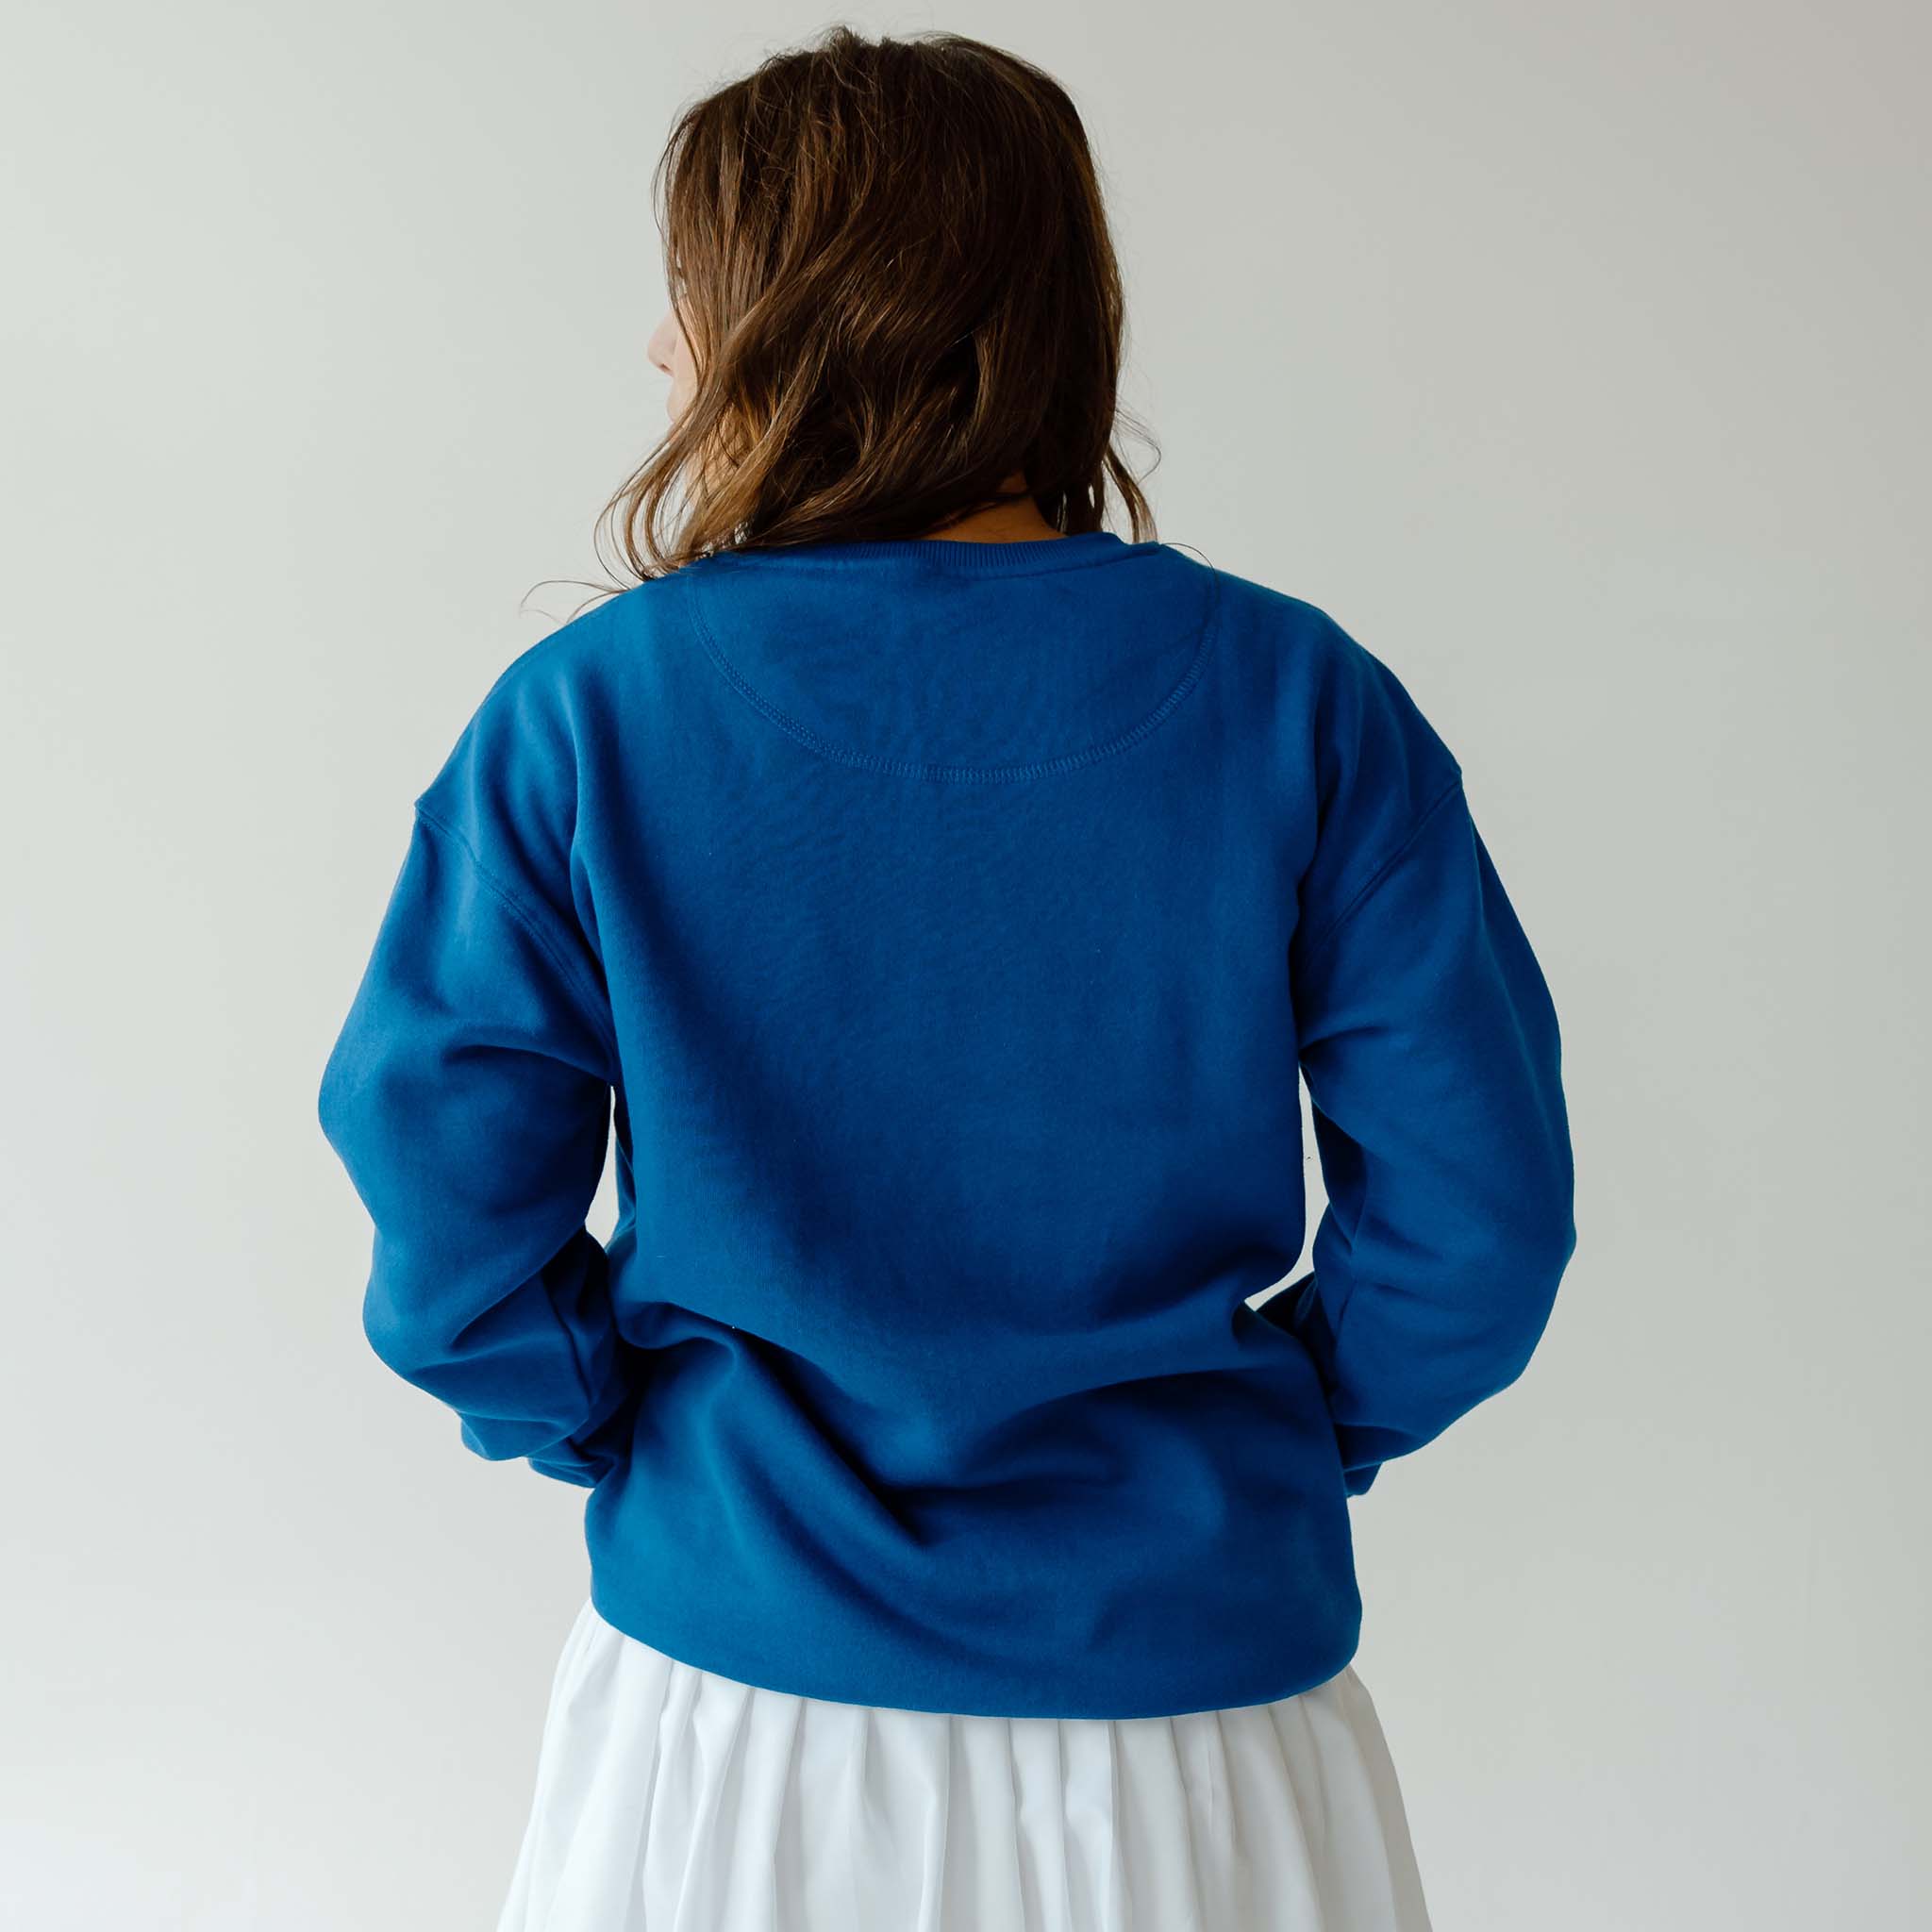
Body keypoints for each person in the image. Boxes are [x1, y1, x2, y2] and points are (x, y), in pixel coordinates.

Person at [316, 25, 1575, 1932]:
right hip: (1202, 1718)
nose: (662, 348)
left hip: (736, 1706)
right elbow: (1478, 1218)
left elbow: (445, 1216)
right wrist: (1258, 1444)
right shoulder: (1300, 699)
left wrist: (639, 1434)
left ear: (800, 317)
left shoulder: (588, 718)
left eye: (690, 291)